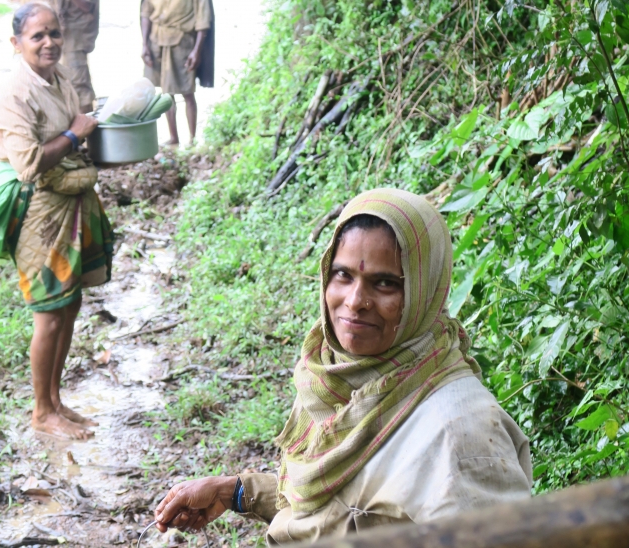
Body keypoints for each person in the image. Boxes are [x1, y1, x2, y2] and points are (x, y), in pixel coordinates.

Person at [151, 189, 532, 544]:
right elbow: (354, 511)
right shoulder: (348, 382)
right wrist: (237, 492)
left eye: (384, 284)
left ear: (425, 291)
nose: (355, 301)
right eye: (343, 275)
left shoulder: (460, 433)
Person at [0, 3, 113, 439]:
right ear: (16, 43)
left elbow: (76, 131)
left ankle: (56, 401)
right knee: (49, 313)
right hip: (38, 213)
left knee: (70, 303)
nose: (49, 42)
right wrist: (76, 132)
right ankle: (42, 411)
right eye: (38, 36)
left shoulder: (58, 78)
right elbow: (28, 165)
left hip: (67, 205)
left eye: (54, 34)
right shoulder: (14, 92)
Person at [140, 0, 213, 145]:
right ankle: (174, 137)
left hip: (182, 42)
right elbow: (146, 13)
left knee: (187, 91)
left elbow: (203, 20)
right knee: (166, 93)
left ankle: (192, 139)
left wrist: (196, 51)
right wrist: (144, 44)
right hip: (156, 40)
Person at [52, 0, 100, 114]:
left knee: (79, 90)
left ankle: (85, 127)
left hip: (73, 41)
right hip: (53, 39)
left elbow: (87, 7)